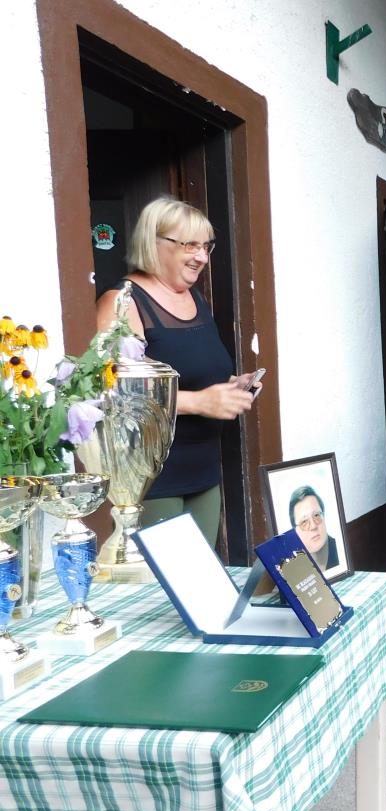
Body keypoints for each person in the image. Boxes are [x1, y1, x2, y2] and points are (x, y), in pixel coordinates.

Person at [96, 197, 254, 548]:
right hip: (153, 476)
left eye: (206, 246)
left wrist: (229, 388)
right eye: (190, 245)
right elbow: (115, 394)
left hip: (204, 469)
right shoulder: (122, 302)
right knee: (162, 578)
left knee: (201, 573)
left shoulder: (195, 299)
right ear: (154, 243)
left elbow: (193, 373)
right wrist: (200, 402)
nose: (202, 257)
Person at [288, 486, 339, 571]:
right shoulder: (291, 565)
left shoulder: (341, 551)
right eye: (304, 522)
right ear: (295, 531)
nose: (313, 526)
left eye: (316, 515)